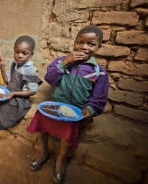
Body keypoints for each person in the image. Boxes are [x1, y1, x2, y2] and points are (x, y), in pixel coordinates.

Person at [26, 25, 109, 184]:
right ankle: (44, 153)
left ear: (99, 47)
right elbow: (50, 79)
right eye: (80, 42)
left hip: (76, 111)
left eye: (91, 44)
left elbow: (99, 98)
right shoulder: (61, 61)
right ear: (74, 43)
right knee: (40, 117)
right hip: (56, 105)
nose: (84, 47)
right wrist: (65, 62)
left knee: (70, 129)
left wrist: (89, 109)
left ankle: (61, 160)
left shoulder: (99, 72)